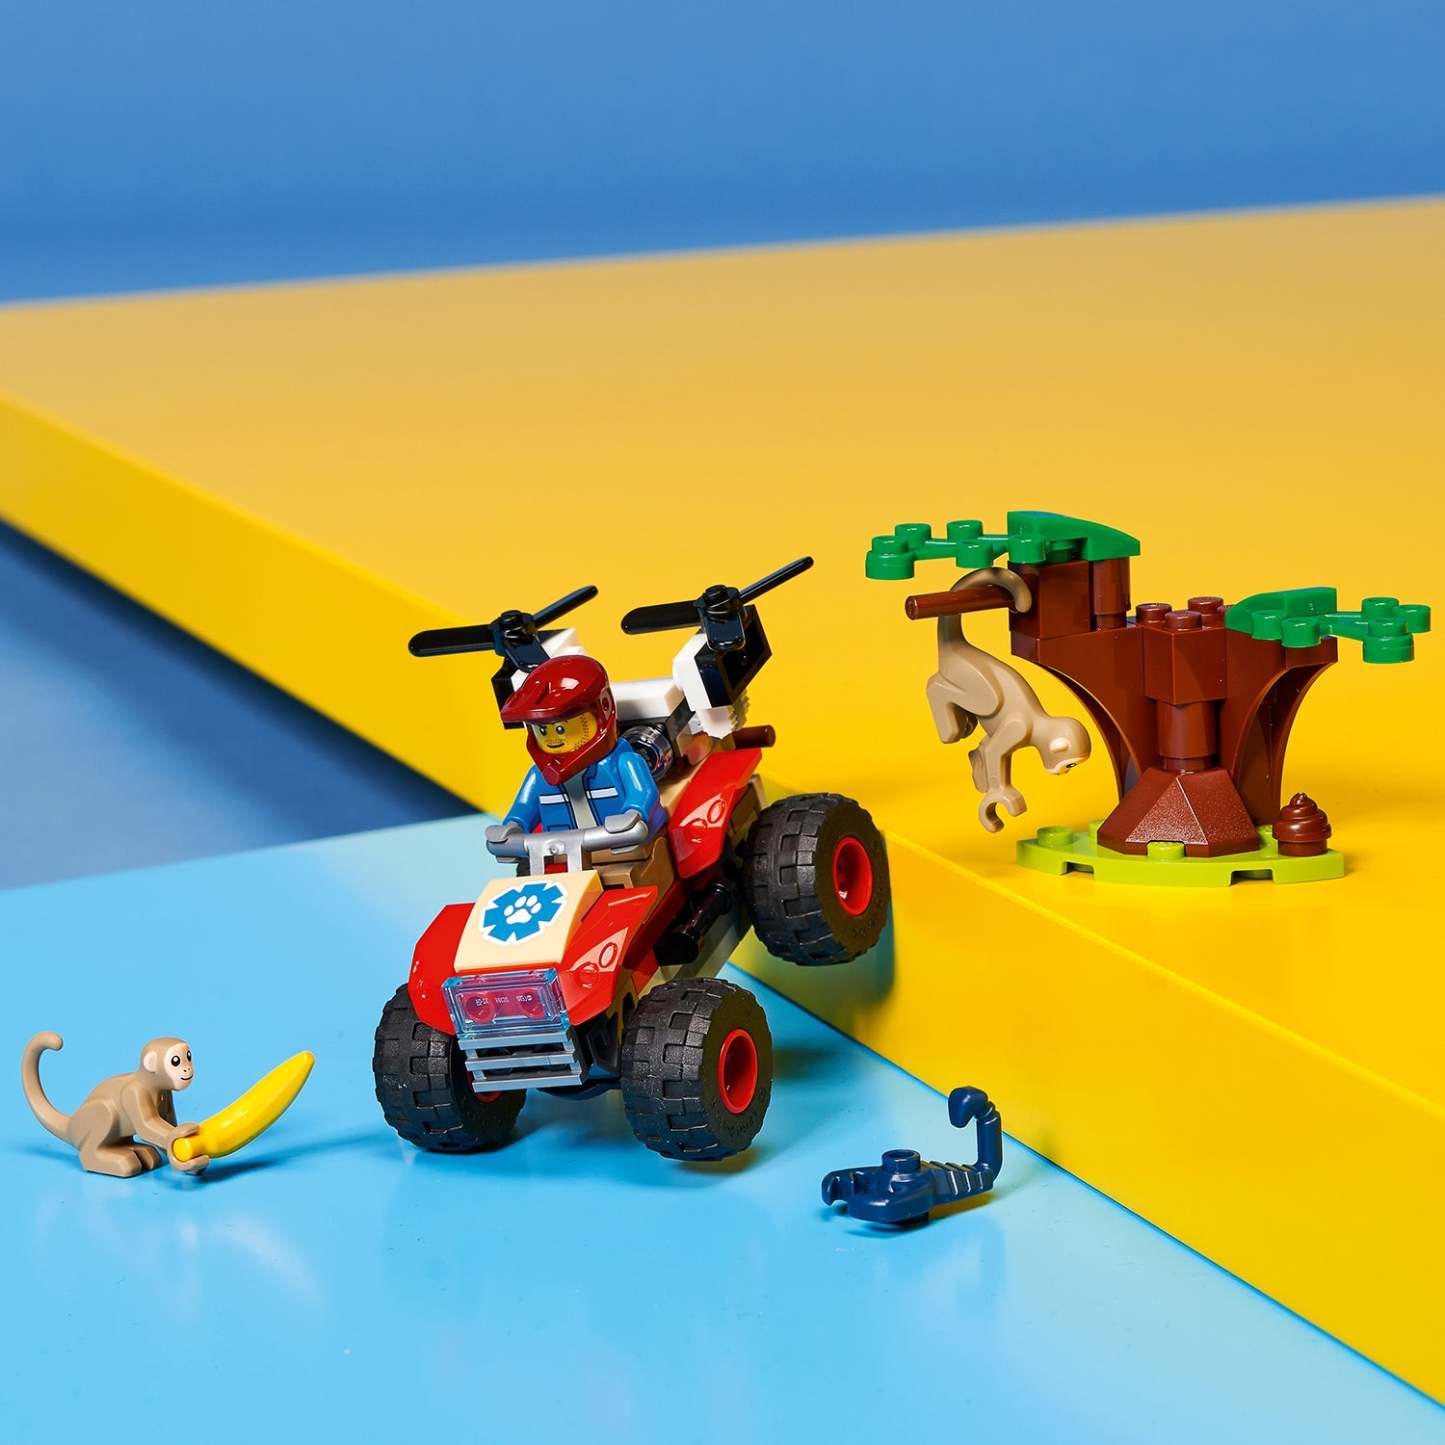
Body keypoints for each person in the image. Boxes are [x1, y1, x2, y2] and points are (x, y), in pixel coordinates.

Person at [494, 654, 665, 842]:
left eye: (561, 729)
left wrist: (633, 813)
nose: (552, 738)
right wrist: (513, 825)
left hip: (621, 844)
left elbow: (643, 793)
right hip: (558, 849)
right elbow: (523, 807)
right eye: (542, 730)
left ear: (604, 708)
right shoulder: (538, 775)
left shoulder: (624, 762)